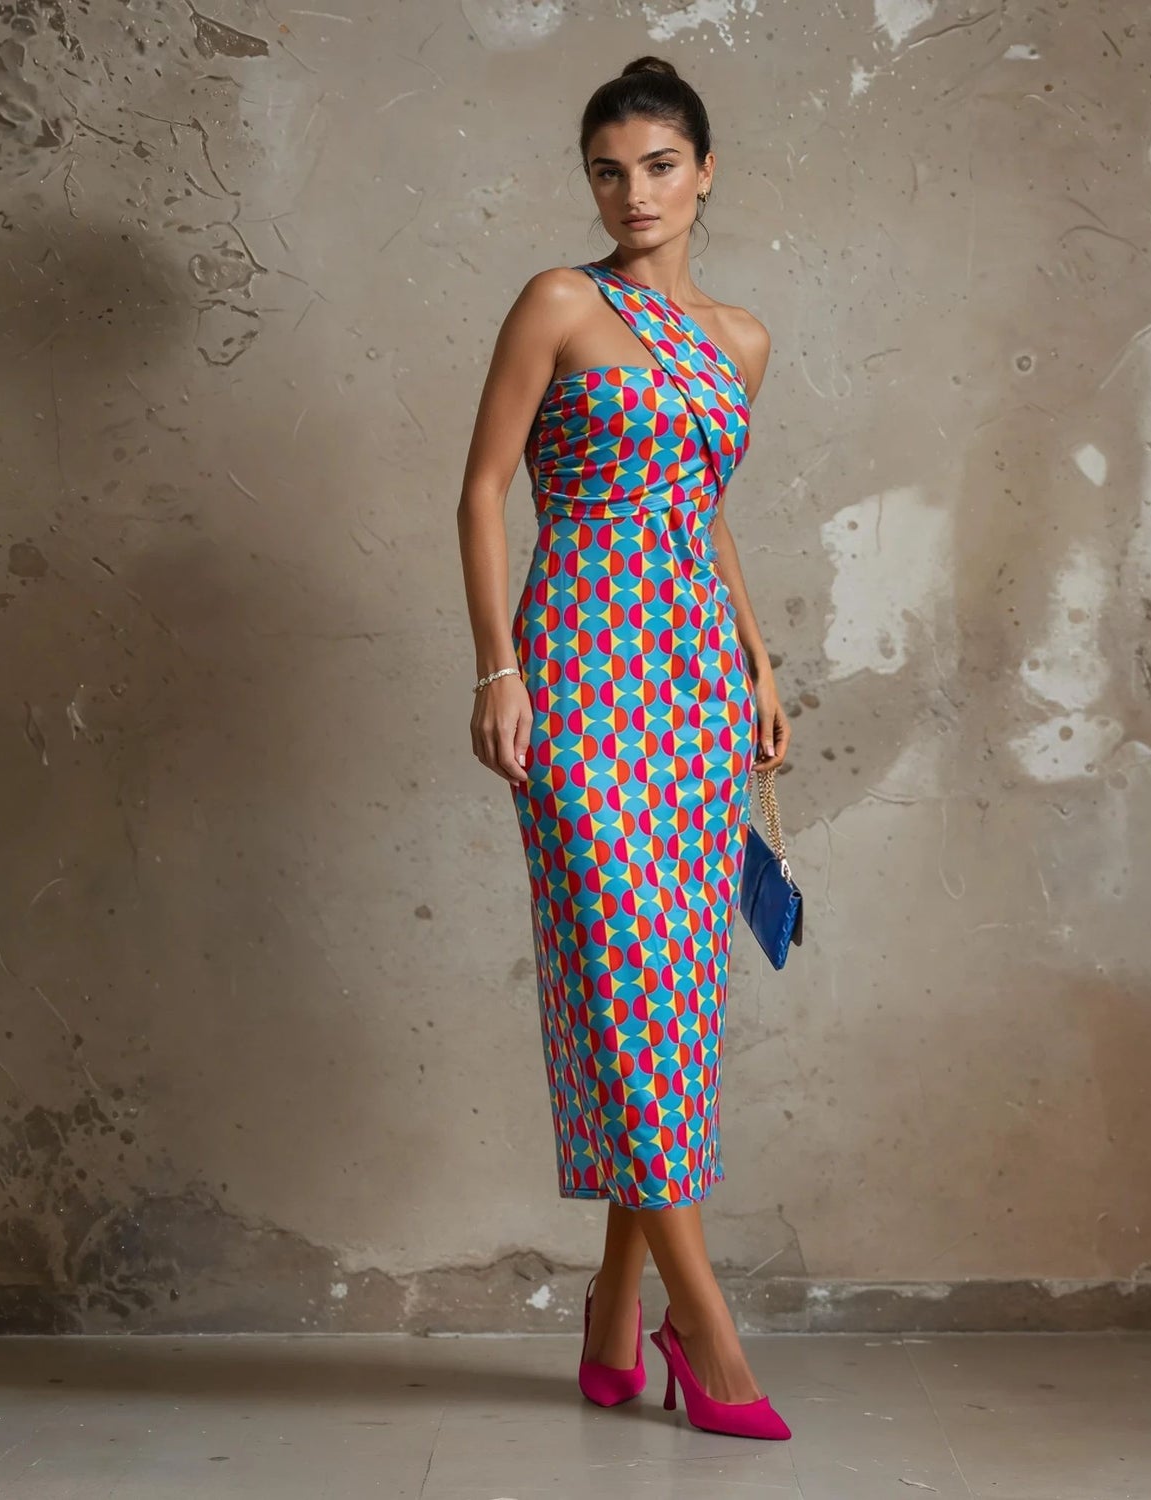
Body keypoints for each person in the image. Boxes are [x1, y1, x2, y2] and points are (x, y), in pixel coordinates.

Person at [456, 55, 792, 1441]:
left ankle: (612, 1307)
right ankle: (704, 1333)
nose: (633, 192)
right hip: (584, 672)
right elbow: (482, 487)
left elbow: (698, 521)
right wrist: (497, 667)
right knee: (621, 983)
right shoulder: (559, 302)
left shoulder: (742, 339)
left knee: (674, 1004)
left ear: (705, 171)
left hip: (701, 686)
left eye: (658, 164)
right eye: (609, 169)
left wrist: (763, 663)